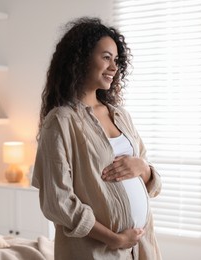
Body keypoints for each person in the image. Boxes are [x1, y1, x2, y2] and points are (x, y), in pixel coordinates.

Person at [32, 17, 162, 260]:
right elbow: (58, 202)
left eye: (116, 60)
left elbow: (152, 183)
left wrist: (142, 168)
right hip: (95, 252)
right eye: (105, 57)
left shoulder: (120, 115)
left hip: (141, 246)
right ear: (80, 58)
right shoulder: (61, 121)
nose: (114, 67)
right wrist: (115, 239)